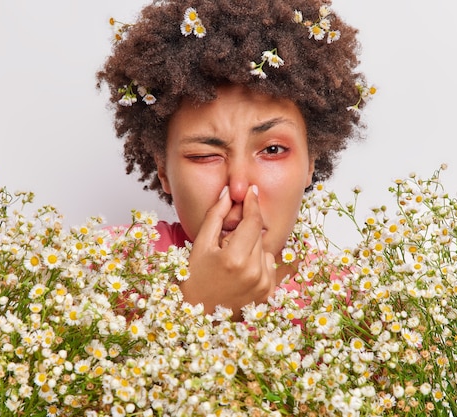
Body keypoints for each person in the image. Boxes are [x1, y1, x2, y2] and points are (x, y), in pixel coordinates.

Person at [97, 0, 369, 321]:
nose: (238, 188)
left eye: (272, 150)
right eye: (205, 155)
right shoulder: (102, 266)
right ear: (163, 169)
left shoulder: (359, 307)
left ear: (311, 162)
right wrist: (200, 306)